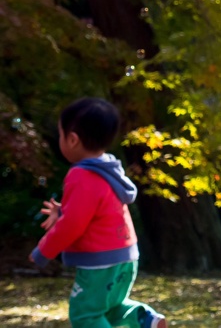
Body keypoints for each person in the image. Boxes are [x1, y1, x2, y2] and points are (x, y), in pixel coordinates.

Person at [30, 97, 168, 328]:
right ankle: (143, 318)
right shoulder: (109, 169)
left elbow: (73, 224)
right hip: (125, 256)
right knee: (110, 307)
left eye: (61, 134)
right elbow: (97, 209)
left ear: (72, 139)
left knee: (85, 315)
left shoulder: (80, 175)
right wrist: (63, 209)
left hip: (99, 261)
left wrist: (44, 251)